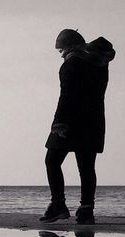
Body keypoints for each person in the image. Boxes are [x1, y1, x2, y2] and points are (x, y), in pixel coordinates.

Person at [40, 28, 116, 224]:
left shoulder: (71, 64)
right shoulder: (100, 64)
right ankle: (86, 209)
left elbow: (66, 96)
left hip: (71, 120)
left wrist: (59, 123)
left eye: (61, 50)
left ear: (70, 46)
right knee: (86, 167)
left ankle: (58, 205)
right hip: (94, 121)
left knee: (52, 161)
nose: (62, 55)